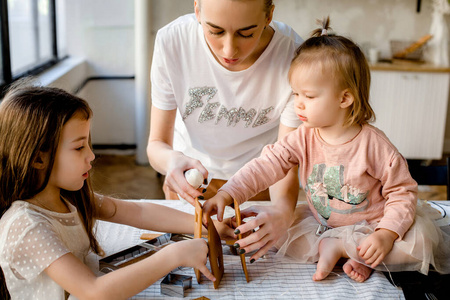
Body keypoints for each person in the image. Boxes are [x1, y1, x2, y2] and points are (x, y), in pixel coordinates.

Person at [203, 17, 450, 283]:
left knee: (421, 243)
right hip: (324, 226)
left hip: (373, 226)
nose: (298, 104)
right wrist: (228, 193)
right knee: (276, 232)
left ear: (344, 98)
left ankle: (347, 250)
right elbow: (266, 164)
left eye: (308, 96)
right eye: (295, 94)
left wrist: (386, 234)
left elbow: (402, 193)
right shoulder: (303, 136)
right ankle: (352, 254)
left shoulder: (375, 145)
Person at [0, 81, 234, 300]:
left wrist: (205, 226)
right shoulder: (27, 226)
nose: (91, 156)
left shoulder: (66, 197)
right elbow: (93, 291)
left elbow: (138, 212)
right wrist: (174, 255)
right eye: (79, 147)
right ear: (38, 158)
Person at [147, 0, 303, 260]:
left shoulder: (294, 56)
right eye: (215, 31)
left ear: (269, 15)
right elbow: (156, 145)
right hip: (191, 186)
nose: (229, 49)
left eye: (246, 32)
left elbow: (286, 161)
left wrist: (283, 212)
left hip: (261, 188)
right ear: (197, 10)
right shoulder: (173, 42)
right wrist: (171, 161)